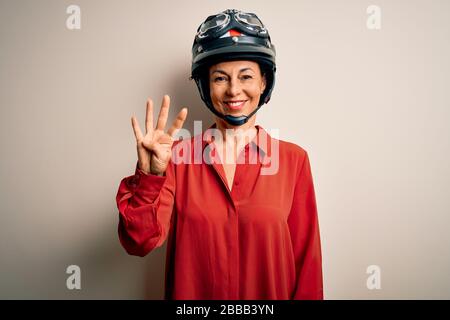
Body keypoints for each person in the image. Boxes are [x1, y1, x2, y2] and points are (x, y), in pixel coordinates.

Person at [116, 9, 323, 300]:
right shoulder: (176, 158)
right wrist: (151, 175)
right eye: (221, 78)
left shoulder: (294, 161)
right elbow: (138, 242)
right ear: (205, 86)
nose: (234, 90)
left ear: (263, 82)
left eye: (246, 76)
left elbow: (308, 270)